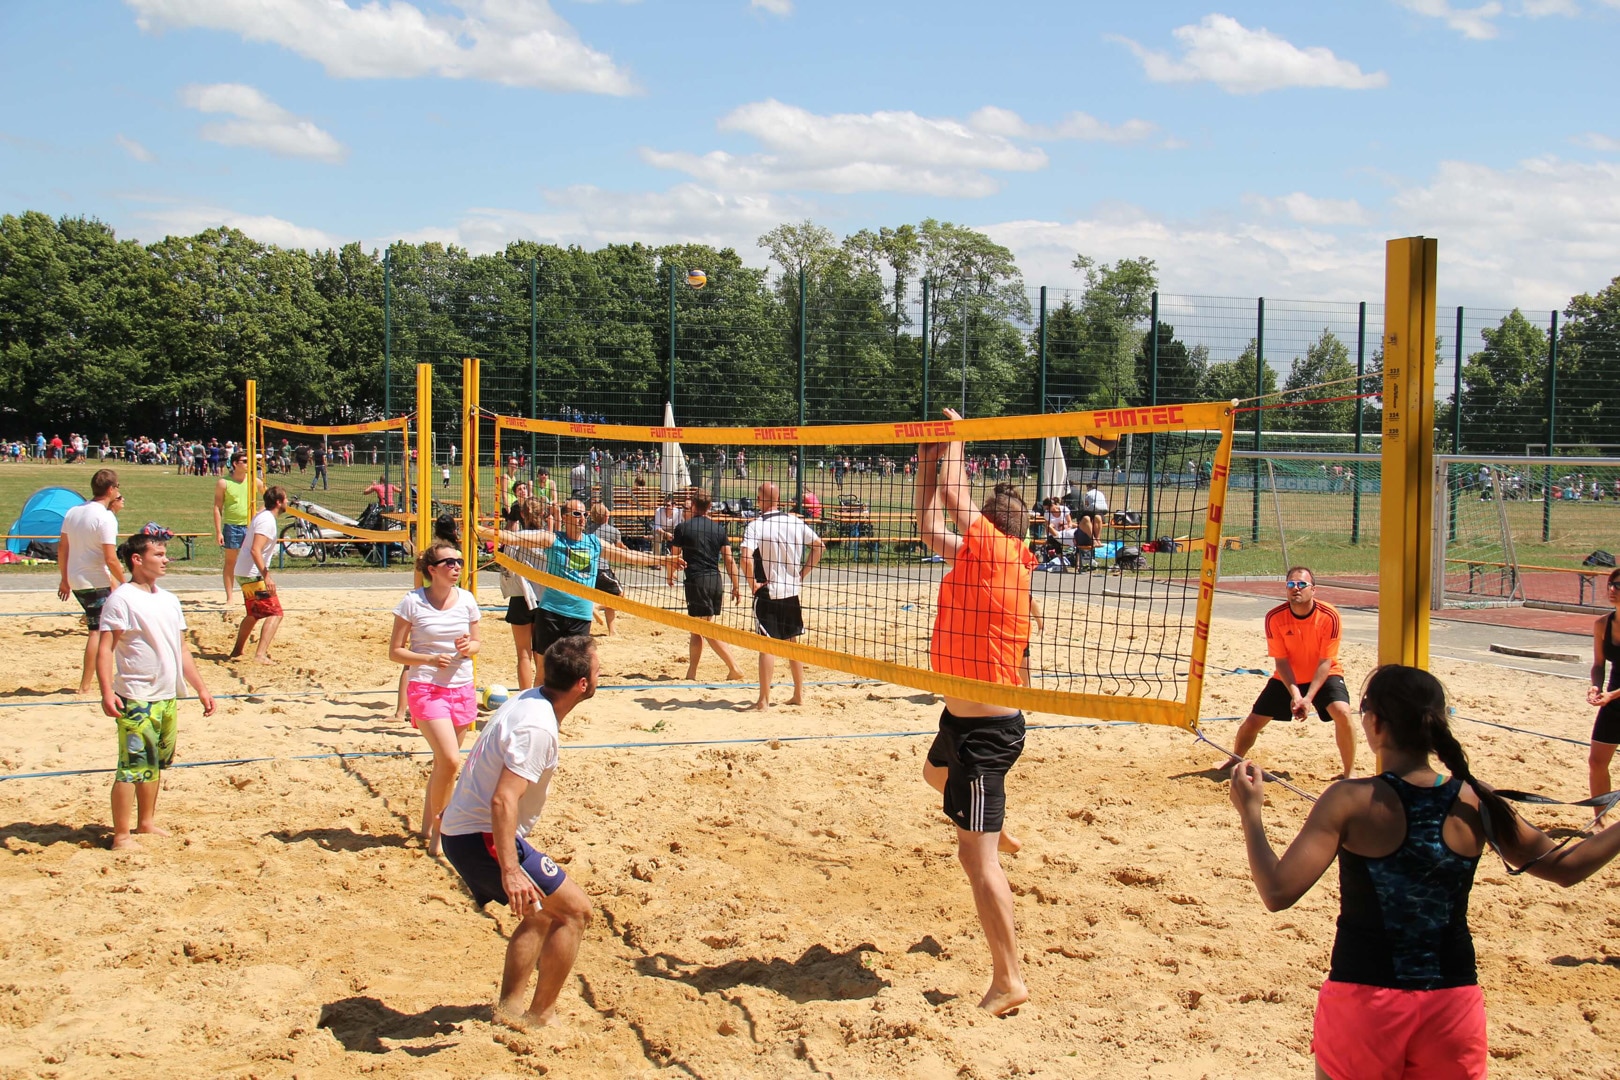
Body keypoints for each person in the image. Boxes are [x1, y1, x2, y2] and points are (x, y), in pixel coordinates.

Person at [1228, 664, 1620, 1080]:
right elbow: (1566, 867)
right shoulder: (1474, 799)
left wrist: (1251, 813)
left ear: (1375, 722)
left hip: (1365, 1001)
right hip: (1451, 1005)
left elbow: (1278, 892)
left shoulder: (1348, 799)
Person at [914, 409, 1038, 1017]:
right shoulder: (976, 557)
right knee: (933, 774)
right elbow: (927, 522)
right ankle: (998, 826)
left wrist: (956, 436)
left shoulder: (1000, 554)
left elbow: (953, 498)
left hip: (988, 733)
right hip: (961, 722)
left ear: (990, 528)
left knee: (975, 860)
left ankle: (1009, 980)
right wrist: (925, 461)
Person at [439, 636, 598, 1030]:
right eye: (598, 671)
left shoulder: (531, 698)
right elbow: (502, 800)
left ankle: (508, 1010)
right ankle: (540, 1016)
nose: (601, 675)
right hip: (482, 836)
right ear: (582, 684)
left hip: (467, 830)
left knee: (539, 913)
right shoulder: (537, 727)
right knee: (575, 912)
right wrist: (511, 870)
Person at [95, 533, 215, 850]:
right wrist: (107, 691)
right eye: (158, 554)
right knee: (132, 766)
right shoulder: (121, 599)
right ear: (137, 559)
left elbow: (182, 649)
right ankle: (121, 835)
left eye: (165, 554)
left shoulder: (169, 599)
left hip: (166, 695)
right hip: (136, 695)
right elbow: (105, 648)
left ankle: (145, 822)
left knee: (155, 763)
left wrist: (201, 687)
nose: (165, 560)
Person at [487, 497, 678, 661]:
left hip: (580, 615)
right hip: (552, 612)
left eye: (585, 514)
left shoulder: (593, 543)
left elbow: (630, 556)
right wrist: (481, 530)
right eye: (577, 514)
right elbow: (512, 538)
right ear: (564, 517)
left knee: (576, 669)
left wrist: (664, 559)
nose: (582, 518)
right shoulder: (553, 539)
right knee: (546, 671)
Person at [389, 539, 481, 855]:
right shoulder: (412, 602)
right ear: (432, 569)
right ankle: (441, 833)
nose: (456, 567)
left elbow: (477, 643)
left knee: (445, 764)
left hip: (462, 687)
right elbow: (395, 652)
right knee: (451, 760)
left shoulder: (467, 599)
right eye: (449, 562)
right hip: (426, 687)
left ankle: (428, 826)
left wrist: (468, 647)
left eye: (459, 561)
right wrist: (428, 659)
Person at [1227, 567, 1357, 779]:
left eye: (1302, 584)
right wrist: (1296, 695)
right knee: (1252, 723)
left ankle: (1349, 773)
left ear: (1313, 589)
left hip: (1324, 674)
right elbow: (1281, 662)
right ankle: (1235, 759)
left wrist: (1308, 698)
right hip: (1288, 677)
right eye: (1291, 584)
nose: (1296, 588)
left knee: (1343, 712)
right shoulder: (1274, 617)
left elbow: (1325, 662)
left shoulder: (1329, 615)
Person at [738, 481, 824, 711]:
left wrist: (752, 584)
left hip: (768, 591)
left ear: (760, 500)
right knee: (792, 643)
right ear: (778, 499)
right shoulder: (794, 521)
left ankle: (763, 701)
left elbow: (745, 558)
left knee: (767, 646)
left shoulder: (756, 525)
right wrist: (802, 575)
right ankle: (798, 694)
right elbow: (819, 546)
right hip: (791, 591)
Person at [58, 469, 125, 695]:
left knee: (104, 627)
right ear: (111, 489)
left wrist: (64, 579)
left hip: (77, 577)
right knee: (98, 632)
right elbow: (111, 558)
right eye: (117, 487)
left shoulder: (74, 511)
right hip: (94, 579)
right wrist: (126, 582)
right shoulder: (105, 517)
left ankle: (94, 680)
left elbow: (62, 548)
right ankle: (86, 685)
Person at [670, 490, 744, 681]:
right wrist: (736, 586)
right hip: (715, 581)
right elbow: (729, 560)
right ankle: (692, 673)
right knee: (699, 628)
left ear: (693, 505)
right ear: (710, 507)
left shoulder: (682, 528)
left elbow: (674, 556)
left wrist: (670, 575)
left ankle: (733, 667)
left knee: (703, 629)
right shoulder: (718, 529)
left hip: (697, 581)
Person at [229, 486, 287, 663]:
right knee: (276, 613)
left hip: (244, 572)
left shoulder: (263, 516)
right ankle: (260, 655)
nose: (287, 502)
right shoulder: (267, 521)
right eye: (285, 499)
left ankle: (237, 651)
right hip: (252, 574)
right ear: (278, 502)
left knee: (254, 613)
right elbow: (256, 549)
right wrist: (266, 576)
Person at [500, 498, 548, 691]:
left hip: (521, 598)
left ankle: (524, 696)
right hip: (544, 598)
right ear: (543, 514)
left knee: (523, 654)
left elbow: (506, 566)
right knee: (540, 654)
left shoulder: (516, 537)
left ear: (522, 514)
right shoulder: (549, 538)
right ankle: (540, 695)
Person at [1585, 566, 1620, 814]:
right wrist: (1595, 686)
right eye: (1611, 584)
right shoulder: (1602, 624)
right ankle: (1600, 820)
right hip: (1612, 701)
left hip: (1613, 696)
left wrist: (1612, 695)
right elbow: (1598, 665)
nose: (1613, 589)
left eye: (1619, 586)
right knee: (1596, 762)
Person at [213, 451, 256, 604]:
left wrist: (259, 513)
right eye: (245, 461)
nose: (248, 464)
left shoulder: (253, 481)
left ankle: (250, 595)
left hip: (250, 526)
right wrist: (219, 532)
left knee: (251, 562)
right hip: (232, 526)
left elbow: (269, 496)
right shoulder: (224, 482)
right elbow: (217, 507)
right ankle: (230, 597)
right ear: (235, 464)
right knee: (230, 562)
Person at [586, 503, 626, 636]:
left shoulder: (587, 530)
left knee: (608, 596)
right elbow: (620, 549)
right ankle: (596, 606)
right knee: (619, 595)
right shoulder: (613, 531)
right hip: (601, 569)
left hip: (587, 569)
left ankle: (612, 631)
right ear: (606, 516)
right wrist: (628, 551)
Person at [652, 494, 685, 584]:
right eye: (665, 505)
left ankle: (677, 561)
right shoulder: (659, 511)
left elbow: (677, 526)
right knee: (657, 535)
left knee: (680, 534)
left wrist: (674, 534)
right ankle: (656, 562)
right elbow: (657, 526)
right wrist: (666, 534)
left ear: (674, 505)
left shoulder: (678, 512)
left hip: (672, 530)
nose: (666, 507)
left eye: (668, 505)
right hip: (661, 530)